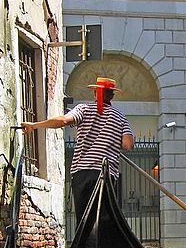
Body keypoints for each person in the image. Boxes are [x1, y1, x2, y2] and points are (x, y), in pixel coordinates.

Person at [22, 76, 133, 226]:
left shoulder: (83, 109)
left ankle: (86, 247)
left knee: (85, 219)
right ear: (112, 95)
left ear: (95, 93)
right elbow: (128, 145)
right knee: (104, 220)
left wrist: (34, 125)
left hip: (83, 173)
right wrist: (110, 141)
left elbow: (63, 121)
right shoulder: (120, 117)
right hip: (106, 174)